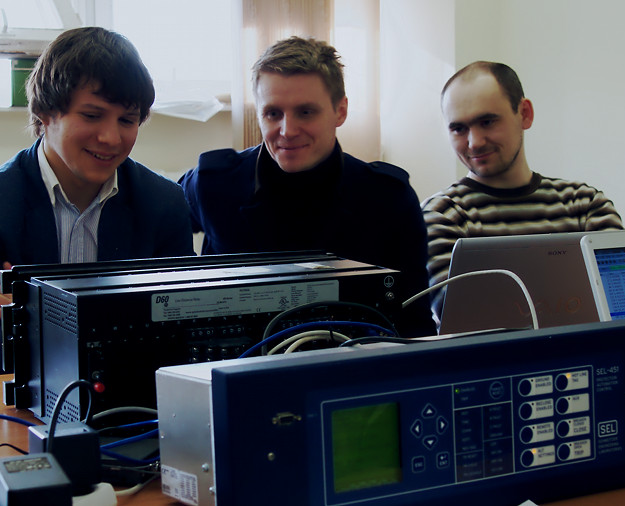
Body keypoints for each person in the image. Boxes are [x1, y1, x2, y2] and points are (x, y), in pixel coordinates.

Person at [0, 27, 194, 376]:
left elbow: (178, 340)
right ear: (46, 113)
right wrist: (121, 323)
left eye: (127, 120)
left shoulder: (163, 204)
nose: (111, 137)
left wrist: (35, 313)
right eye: (91, 115)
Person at [180, 36, 435, 337]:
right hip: (241, 360)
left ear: (340, 111)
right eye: (273, 113)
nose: (287, 131)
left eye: (305, 112)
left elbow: (416, 324)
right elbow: (155, 223)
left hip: (352, 360)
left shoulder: (388, 198)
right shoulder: (214, 183)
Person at [422, 61, 624, 322]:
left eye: (487, 121)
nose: (474, 142)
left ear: (525, 114)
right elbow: (463, 320)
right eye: (459, 129)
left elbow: (621, 302)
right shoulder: (442, 215)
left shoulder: (586, 205)